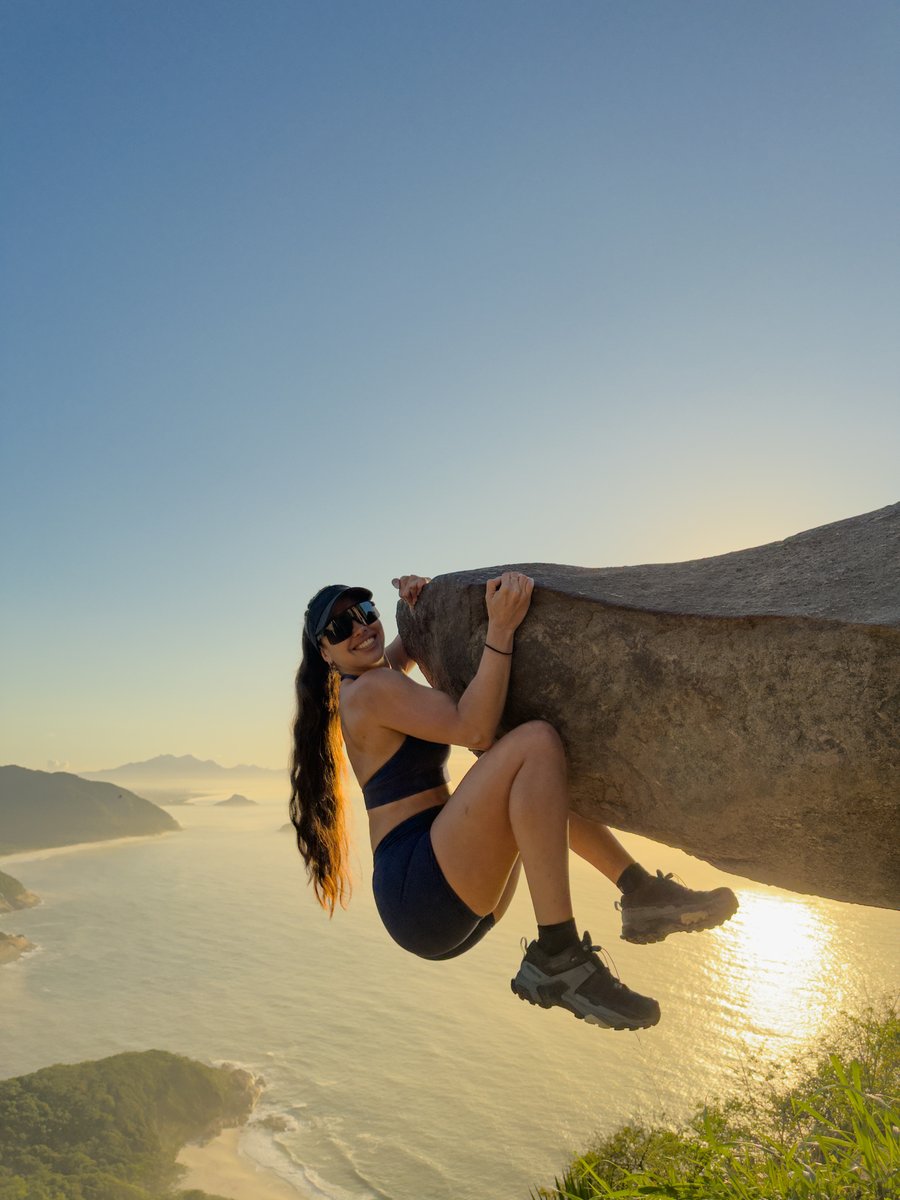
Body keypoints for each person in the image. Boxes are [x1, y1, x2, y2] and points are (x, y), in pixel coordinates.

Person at [289, 573, 738, 1030]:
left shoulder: (372, 682)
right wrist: (500, 628)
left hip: (441, 900)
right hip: (421, 885)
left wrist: (418, 604)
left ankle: (640, 892)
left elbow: (405, 649)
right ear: (325, 653)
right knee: (534, 743)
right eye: (340, 627)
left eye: (365, 613)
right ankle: (559, 952)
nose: (360, 628)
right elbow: (474, 728)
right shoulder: (369, 691)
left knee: (535, 783)